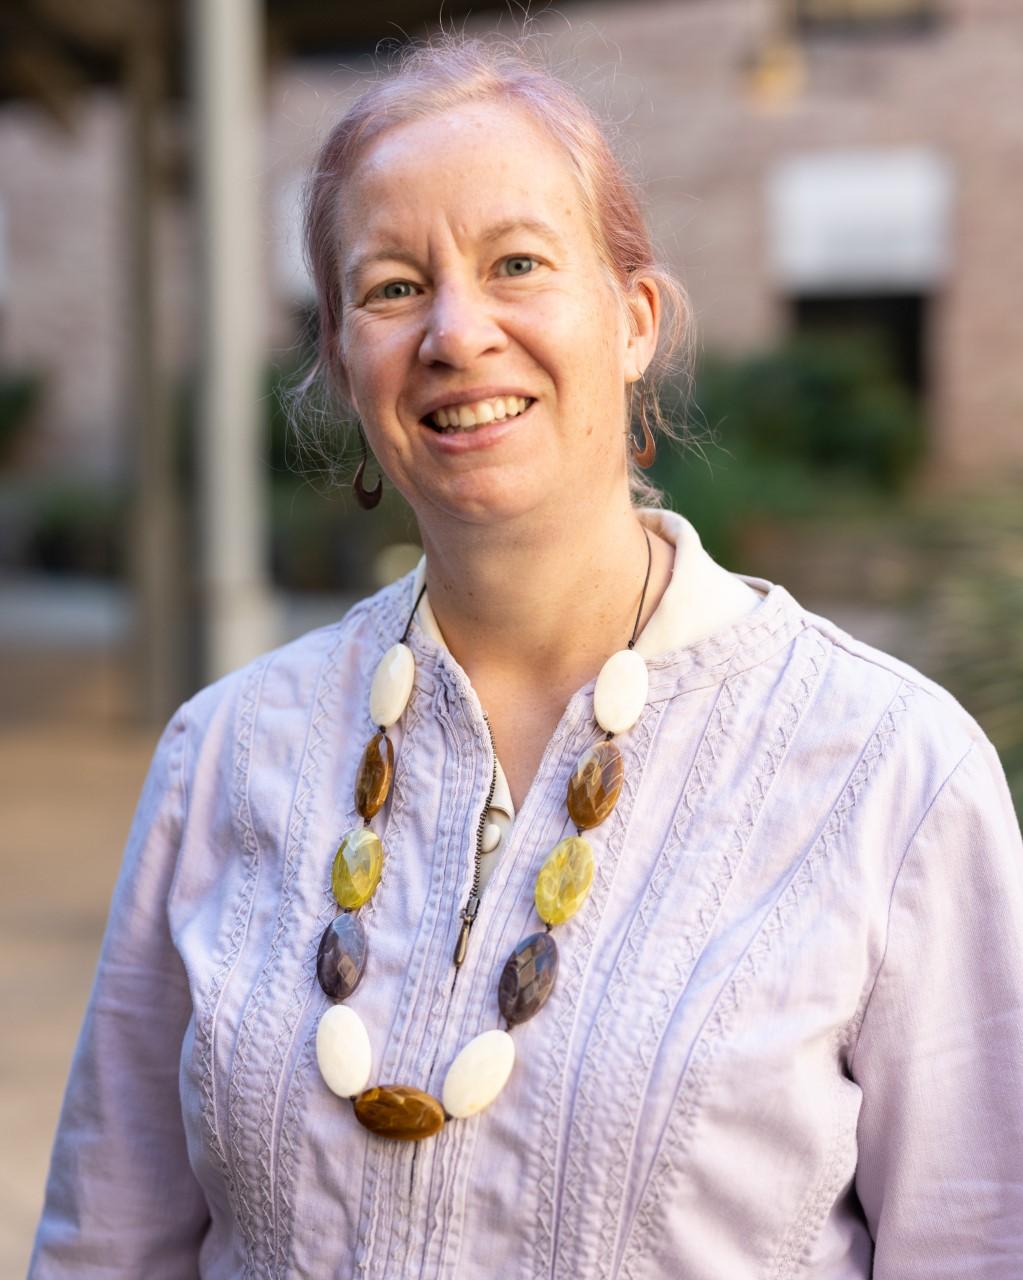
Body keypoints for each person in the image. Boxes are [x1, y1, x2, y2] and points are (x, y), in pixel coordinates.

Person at [31, 35, 1023, 1280]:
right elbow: (104, 1247)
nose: (457, 331)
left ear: (634, 319)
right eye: (392, 287)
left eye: (518, 264)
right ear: (342, 358)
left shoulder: (892, 773)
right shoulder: (225, 755)